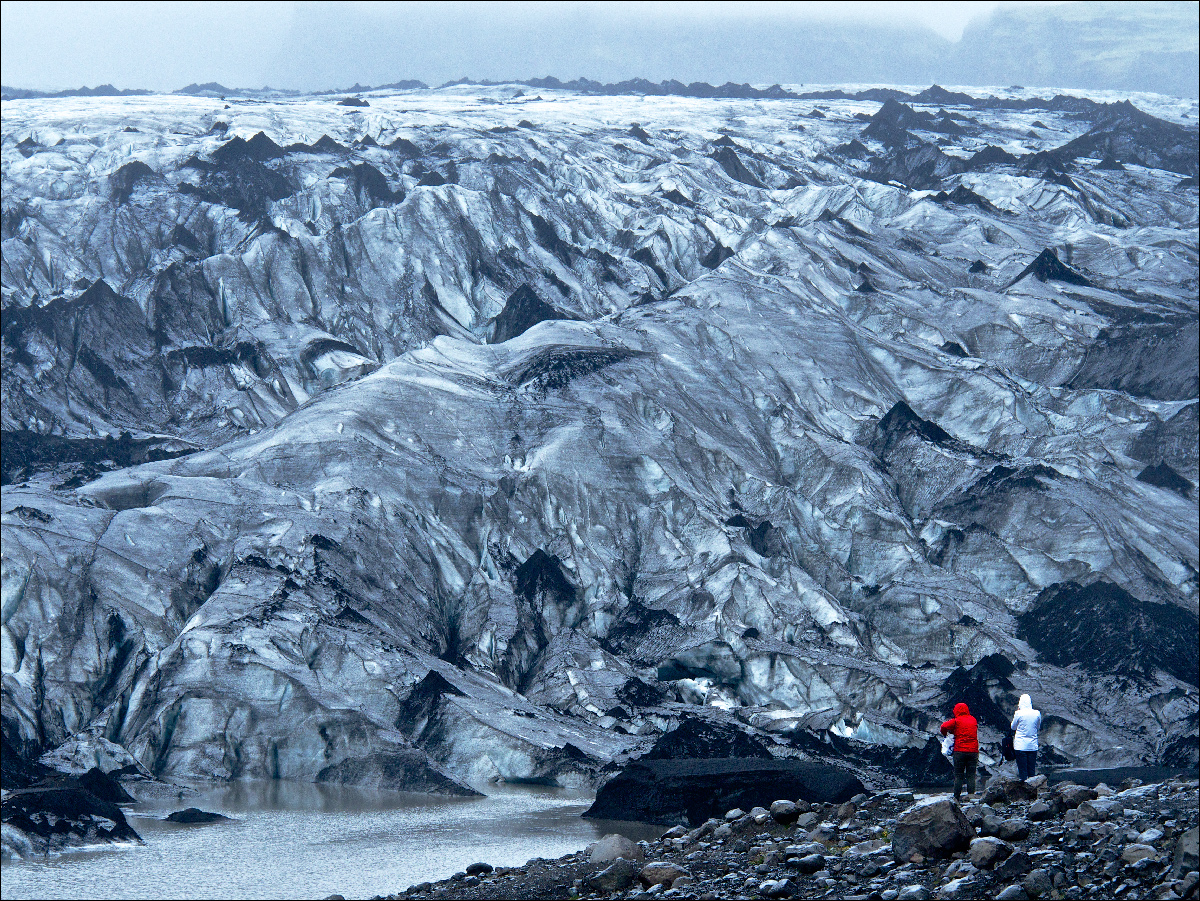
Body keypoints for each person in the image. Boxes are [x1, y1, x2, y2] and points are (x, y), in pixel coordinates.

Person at [940, 702, 979, 802]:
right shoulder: (973, 719)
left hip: (960, 751)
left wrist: (946, 734)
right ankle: (971, 797)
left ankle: (956, 798)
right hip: (973, 751)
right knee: (971, 775)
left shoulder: (956, 721)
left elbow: (943, 727)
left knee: (959, 775)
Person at [1011, 694, 1042, 780]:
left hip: (1020, 745)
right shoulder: (1037, 713)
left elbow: (1013, 727)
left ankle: (1024, 789)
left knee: (1022, 770)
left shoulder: (1018, 713)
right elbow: (1038, 727)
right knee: (1031, 770)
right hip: (1032, 746)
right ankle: (1033, 788)